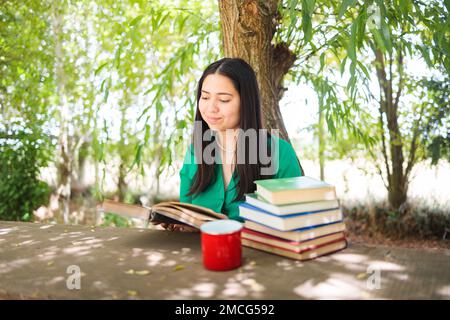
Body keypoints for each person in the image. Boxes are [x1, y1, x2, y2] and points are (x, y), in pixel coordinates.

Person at [157, 57, 303, 232]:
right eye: (204, 97)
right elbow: (187, 212)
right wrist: (180, 223)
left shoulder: (279, 153)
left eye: (224, 100)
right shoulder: (196, 151)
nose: (211, 108)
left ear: (246, 102)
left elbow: (294, 224)